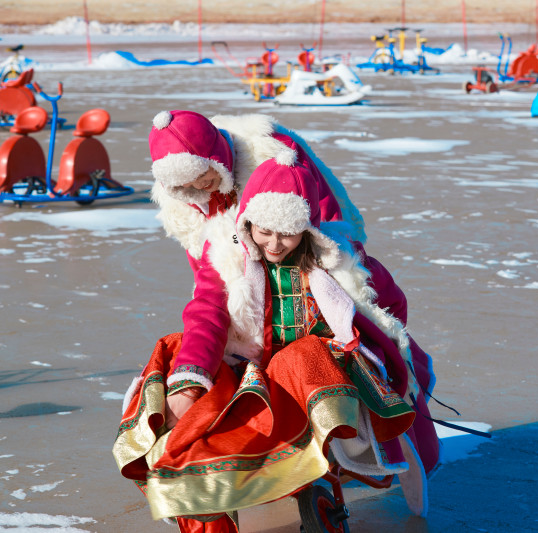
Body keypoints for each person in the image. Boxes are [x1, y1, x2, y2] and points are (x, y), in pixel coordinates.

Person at [113, 113, 440, 529]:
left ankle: (321, 470)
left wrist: (378, 349)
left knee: (307, 361)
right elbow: (209, 301)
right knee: (177, 367)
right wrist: (191, 375)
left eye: (204, 177)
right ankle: (205, 493)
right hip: (251, 348)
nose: (199, 190)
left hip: (307, 356)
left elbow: (383, 305)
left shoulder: (328, 255)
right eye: (185, 186)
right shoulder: (225, 248)